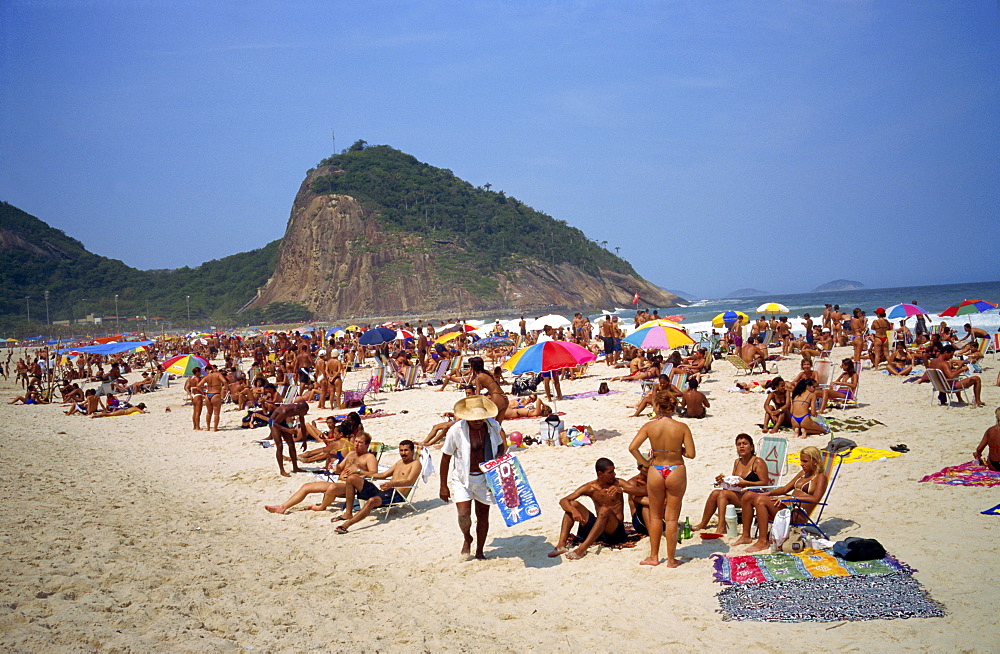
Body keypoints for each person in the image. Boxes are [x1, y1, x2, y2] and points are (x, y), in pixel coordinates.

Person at [628, 390, 695, 567]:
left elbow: (632, 448)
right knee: (672, 518)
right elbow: (691, 453)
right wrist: (678, 450)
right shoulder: (682, 427)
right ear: (672, 406)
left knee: (656, 516)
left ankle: (654, 556)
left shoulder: (649, 426)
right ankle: (671, 560)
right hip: (675, 468)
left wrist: (645, 463)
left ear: (657, 406)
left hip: (656, 469)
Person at [439, 396, 506, 560]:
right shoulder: (456, 430)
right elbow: (446, 457)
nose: (478, 422)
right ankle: (467, 537)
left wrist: (499, 455)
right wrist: (443, 485)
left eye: (480, 418)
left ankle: (480, 550)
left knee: (483, 516)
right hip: (462, 478)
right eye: (474, 419)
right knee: (463, 514)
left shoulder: (492, 426)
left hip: (485, 478)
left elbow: (501, 445)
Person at [735, 446, 828, 553]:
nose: (801, 464)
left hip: (797, 515)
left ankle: (763, 541)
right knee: (748, 496)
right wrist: (768, 493)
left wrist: (792, 497)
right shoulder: (803, 473)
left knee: (760, 500)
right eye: (801, 460)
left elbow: (815, 499)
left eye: (805, 461)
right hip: (787, 507)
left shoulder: (820, 477)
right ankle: (746, 536)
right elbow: (785, 489)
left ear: (815, 461)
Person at [548, 458, 641, 560]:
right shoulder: (590, 487)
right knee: (573, 504)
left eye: (614, 471)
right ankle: (561, 545)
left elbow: (640, 491)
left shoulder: (618, 483)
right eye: (610, 472)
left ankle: (582, 549)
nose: (614, 474)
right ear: (600, 473)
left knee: (604, 510)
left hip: (615, 531)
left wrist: (623, 490)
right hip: (598, 527)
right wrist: (573, 510)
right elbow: (564, 500)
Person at [264, 432, 378, 514]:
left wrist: (358, 471)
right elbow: (339, 469)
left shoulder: (369, 457)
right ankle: (282, 507)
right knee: (306, 486)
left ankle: (322, 507)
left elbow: (375, 474)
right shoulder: (351, 454)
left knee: (332, 488)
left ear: (367, 445)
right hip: (340, 481)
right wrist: (333, 466)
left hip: (352, 486)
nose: (356, 444)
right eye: (356, 441)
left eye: (360, 443)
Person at [334, 440, 422, 534]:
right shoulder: (399, 462)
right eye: (401, 450)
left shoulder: (416, 464)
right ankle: (348, 513)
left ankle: (346, 525)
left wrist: (392, 484)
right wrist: (360, 472)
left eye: (406, 450)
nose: (403, 453)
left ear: (412, 451)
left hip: (395, 495)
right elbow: (383, 475)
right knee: (351, 478)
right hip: (383, 492)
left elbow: (408, 481)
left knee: (371, 500)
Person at [692, 434, 770, 534]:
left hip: (753, 496)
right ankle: (703, 524)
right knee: (715, 493)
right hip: (741, 494)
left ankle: (721, 527)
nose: (741, 446)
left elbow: (765, 482)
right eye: (739, 444)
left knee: (722, 494)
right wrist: (723, 481)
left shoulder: (758, 461)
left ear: (751, 447)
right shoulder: (737, 462)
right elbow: (734, 481)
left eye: (745, 444)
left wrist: (746, 483)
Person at [269, 401, 310, 477]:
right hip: (274, 422)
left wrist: (304, 441)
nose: (305, 413)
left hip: (283, 422)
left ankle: (295, 467)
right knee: (280, 445)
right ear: (298, 410)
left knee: (291, 444)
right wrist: (287, 430)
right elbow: (275, 424)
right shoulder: (285, 411)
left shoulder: (299, 411)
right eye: (305, 411)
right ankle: (282, 470)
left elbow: (303, 426)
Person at [469, 356, 509, 425]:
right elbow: (495, 386)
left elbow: (478, 394)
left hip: (496, 397)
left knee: (489, 423)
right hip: (504, 397)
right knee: (498, 425)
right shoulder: (488, 373)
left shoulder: (479, 377)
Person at [198, 365, 226, 432]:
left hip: (208, 394)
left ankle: (208, 428)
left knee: (209, 412)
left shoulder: (206, 376)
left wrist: (203, 393)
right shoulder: (218, 375)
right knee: (216, 413)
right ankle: (215, 428)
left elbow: (198, 385)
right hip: (216, 394)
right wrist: (226, 388)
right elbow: (224, 381)